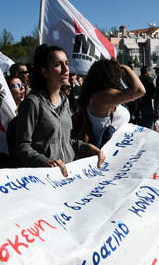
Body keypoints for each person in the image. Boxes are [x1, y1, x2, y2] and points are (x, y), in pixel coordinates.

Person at [7, 44, 104, 177]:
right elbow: (22, 146)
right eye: (58, 65)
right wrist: (44, 161)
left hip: (68, 175)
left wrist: (88, 147)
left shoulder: (65, 101)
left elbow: (65, 141)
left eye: (66, 63)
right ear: (45, 72)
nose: (66, 69)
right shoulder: (32, 103)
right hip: (46, 179)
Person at [73, 60, 145, 147]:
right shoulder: (101, 97)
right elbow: (139, 91)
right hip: (107, 151)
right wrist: (127, 68)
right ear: (110, 76)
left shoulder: (100, 95)